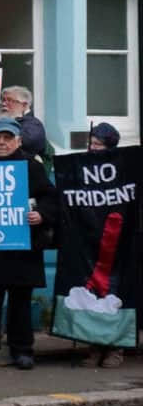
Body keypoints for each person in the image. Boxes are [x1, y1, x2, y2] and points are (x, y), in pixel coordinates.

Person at [0, 117, 58, 370]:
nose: (2, 142)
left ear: (18, 141)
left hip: (22, 248)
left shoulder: (31, 167)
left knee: (20, 301)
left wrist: (41, 214)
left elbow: (51, 198)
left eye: (7, 138)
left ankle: (22, 349)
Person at [80, 121, 124, 368]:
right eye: (91, 143)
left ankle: (115, 347)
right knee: (91, 295)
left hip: (116, 242)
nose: (93, 148)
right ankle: (94, 346)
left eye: (98, 144)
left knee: (114, 295)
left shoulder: (122, 168)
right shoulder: (82, 167)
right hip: (89, 241)